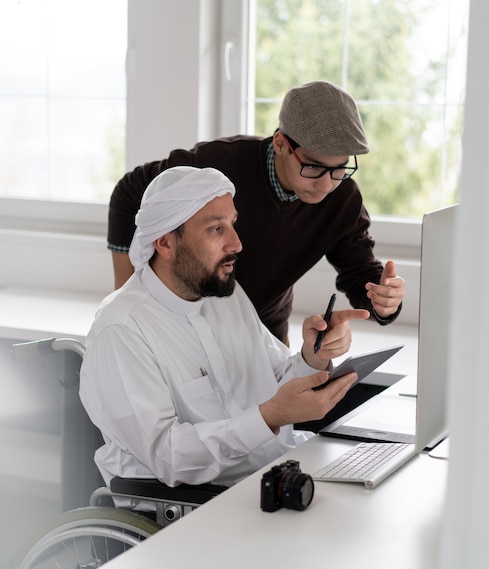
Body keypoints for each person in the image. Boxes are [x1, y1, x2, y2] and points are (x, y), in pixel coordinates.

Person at [80, 166, 370, 490]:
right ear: (164, 243)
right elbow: (167, 457)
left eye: (233, 223)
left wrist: (313, 356)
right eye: (216, 229)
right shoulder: (121, 329)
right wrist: (268, 417)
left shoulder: (223, 294)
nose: (236, 243)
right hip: (192, 505)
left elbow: (274, 383)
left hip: (270, 473)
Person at [108, 80, 405, 343]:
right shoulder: (217, 165)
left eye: (340, 169)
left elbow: (360, 273)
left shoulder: (343, 200)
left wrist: (383, 300)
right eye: (313, 166)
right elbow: (131, 190)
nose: (327, 184)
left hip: (265, 331)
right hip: (189, 328)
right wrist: (128, 293)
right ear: (281, 143)